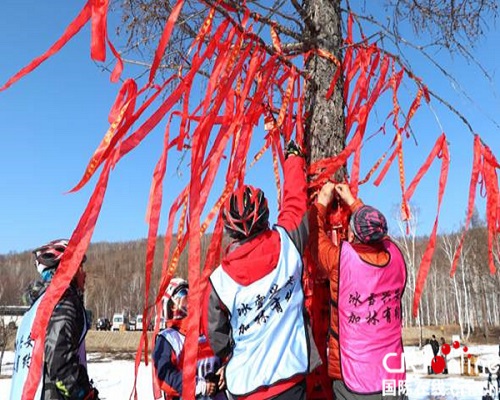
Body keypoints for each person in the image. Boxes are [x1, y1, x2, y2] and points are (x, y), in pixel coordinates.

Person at [203, 140, 321, 400]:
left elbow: (215, 331)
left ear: (230, 231)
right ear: (266, 215)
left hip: (244, 386)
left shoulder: (219, 282)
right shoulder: (289, 243)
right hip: (291, 379)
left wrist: (228, 354)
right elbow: (295, 204)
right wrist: (293, 159)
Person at [308, 182, 407, 400]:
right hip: (393, 377)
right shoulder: (396, 257)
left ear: (352, 235)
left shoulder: (341, 261)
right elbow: (381, 237)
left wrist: (322, 202)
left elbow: (316, 239)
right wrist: (354, 203)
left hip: (354, 380)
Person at [10, 239, 99, 400]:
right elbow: (59, 361)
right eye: (80, 267)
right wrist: (84, 395)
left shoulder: (34, 308)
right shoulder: (63, 301)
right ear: (68, 269)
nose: (84, 273)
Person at [153, 278, 227, 400]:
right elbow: (164, 374)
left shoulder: (208, 330)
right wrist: (197, 386)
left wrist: (225, 370)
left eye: (189, 294)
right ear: (171, 305)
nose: (187, 299)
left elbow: (227, 354)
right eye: (182, 294)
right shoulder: (168, 338)